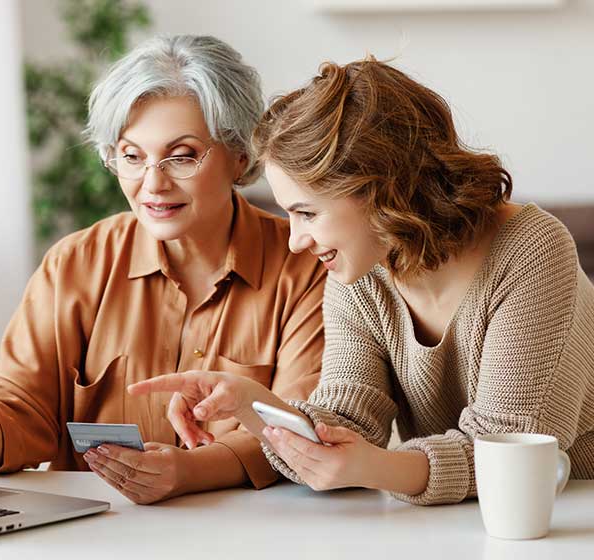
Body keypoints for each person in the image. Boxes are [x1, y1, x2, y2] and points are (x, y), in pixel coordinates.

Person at [129, 56, 594, 506]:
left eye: (307, 213)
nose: (295, 242)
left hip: (571, 507)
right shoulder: (362, 268)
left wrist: (373, 467)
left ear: (381, 189)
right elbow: (349, 421)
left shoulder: (530, 250)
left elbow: (513, 453)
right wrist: (250, 405)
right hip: (461, 522)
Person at [0, 35, 328, 505]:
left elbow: (301, 426)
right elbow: (19, 412)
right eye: (132, 156)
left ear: (240, 155)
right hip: (99, 536)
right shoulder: (75, 264)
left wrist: (187, 472)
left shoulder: (307, 268)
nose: (153, 183)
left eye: (183, 155)